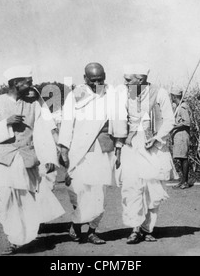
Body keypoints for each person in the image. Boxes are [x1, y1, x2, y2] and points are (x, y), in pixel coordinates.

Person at [0, 65, 63, 255]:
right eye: (28, 83)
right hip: (3, 157)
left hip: (26, 156)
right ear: (15, 83)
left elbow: (43, 133)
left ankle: (19, 239)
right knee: (4, 197)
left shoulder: (34, 104)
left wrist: (49, 157)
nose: (31, 86)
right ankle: (13, 234)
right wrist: (7, 123)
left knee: (26, 198)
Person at [58, 62, 126, 245]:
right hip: (80, 149)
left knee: (99, 193)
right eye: (93, 81)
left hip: (104, 148)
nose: (97, 84)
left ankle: (92, 231)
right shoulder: (76, 95)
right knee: (78, 190)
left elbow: (120, 122)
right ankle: (77, 223)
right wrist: (63, 149)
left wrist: (119, 147)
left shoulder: (112, 93)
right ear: (85, 78)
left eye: (101, 80)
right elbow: (66, 122)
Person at [118, 64, 175, 244]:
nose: (125, 83)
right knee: (132, 187)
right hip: (131, 144)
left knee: (152, 190)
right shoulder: (123, 94)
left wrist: (157, 138)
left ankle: (147, 229)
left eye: (128, 80)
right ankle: (135, 229)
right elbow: (118, 122)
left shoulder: (160, 93)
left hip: (153, 145)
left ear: (140, 79)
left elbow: (169, 120)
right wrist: (119, 146)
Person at [170, 87, 192, 189]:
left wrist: (174, 126)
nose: (171, 98)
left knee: (184, 158)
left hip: (182, 135)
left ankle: (185, 182)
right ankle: (182, 180)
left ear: (174, 96)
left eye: (172, 96)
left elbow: (187, 122)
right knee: (180, 158)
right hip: (178, 136)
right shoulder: (178, 107)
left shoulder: (183, 107)